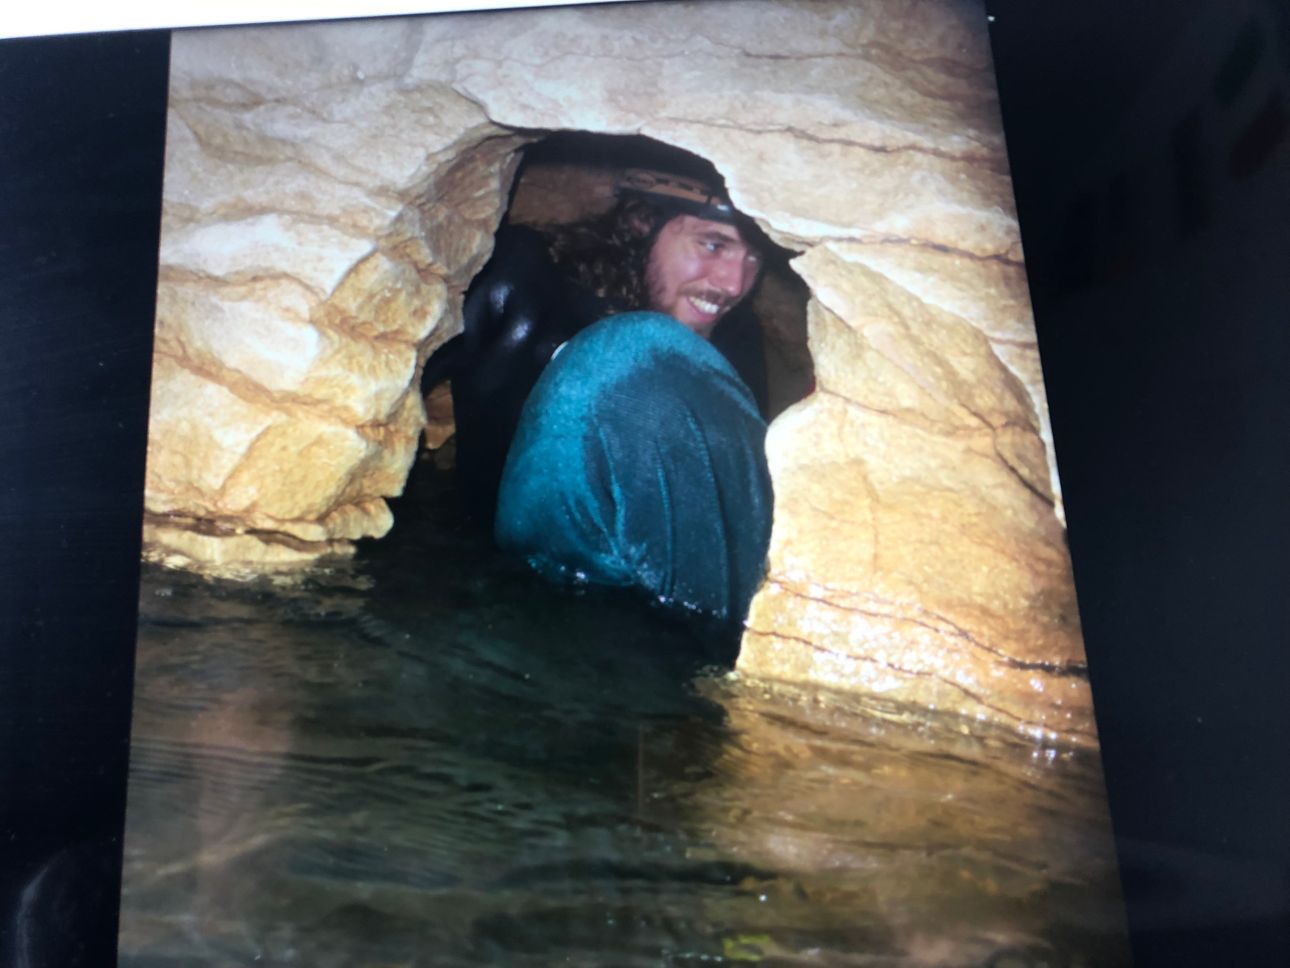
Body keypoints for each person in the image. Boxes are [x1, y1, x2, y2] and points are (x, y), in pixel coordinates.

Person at [421, 166, 774, 623]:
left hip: (654, 605)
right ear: (641, 222)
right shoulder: (525, 283)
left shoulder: (735, 339)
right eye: (714, 244)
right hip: (488, 580)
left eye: (754, 259)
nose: (734, 284)